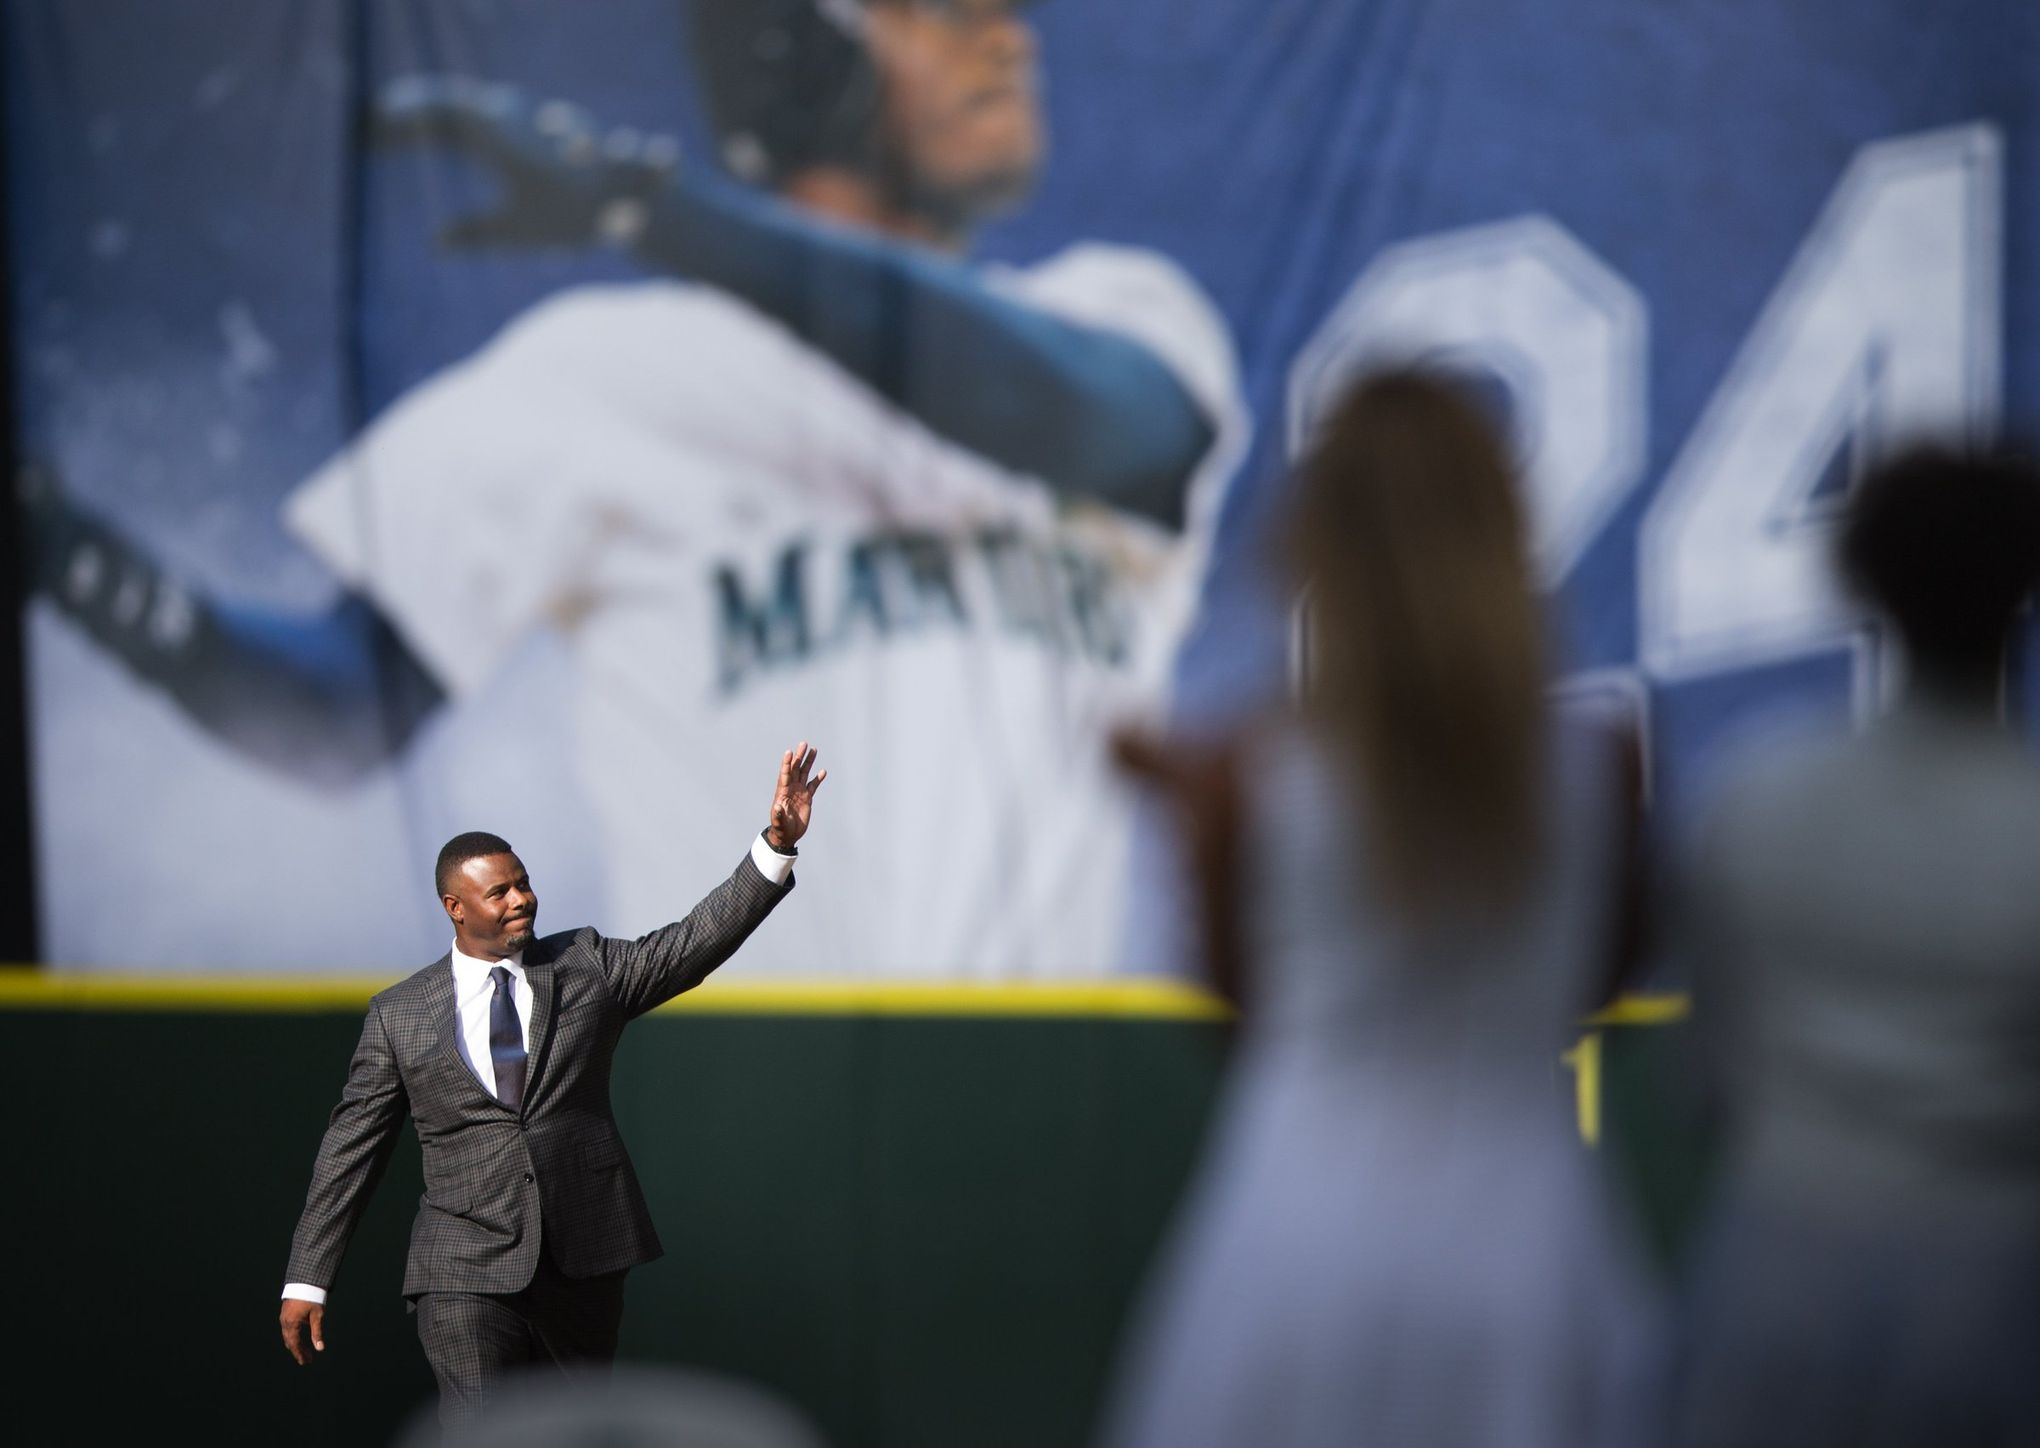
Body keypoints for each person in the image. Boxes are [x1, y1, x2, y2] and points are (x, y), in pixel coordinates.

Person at [24, 0, 1243, 975]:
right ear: (796, 48)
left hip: (1061, 1108)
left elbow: (1095, 422)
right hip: (731, 1116)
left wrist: (645, 204)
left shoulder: (1117, 318)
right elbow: (331, 712)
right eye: (937, 6)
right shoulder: (601, 372)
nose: (1006, 30)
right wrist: (67, 550)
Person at [1098, 372, 1659, 1448]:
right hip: (1532, 1246)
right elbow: (1602, 982)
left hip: (1304, 1239)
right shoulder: (1605, 767)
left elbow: (1240, 1010)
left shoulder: (1251, 776)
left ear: (1321, 542)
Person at [276, 743, 825, 1427]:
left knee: (572, 1436)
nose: (521, 899)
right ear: (455, 906)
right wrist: (308, 1277)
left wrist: (774, 846)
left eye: (523, 883)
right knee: (482, 1431)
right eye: (498, 891)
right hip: (463, 1270)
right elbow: (350, 1150)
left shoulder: (583, 964)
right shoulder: (401, 1014)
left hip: (583, 1262)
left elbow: (691, 943)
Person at [1670, 447, 2040, 1448]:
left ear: (1859, 575)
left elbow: (1710, 1070)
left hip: (1778, 1268)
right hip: (1996, 1288)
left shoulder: (1757, 794)